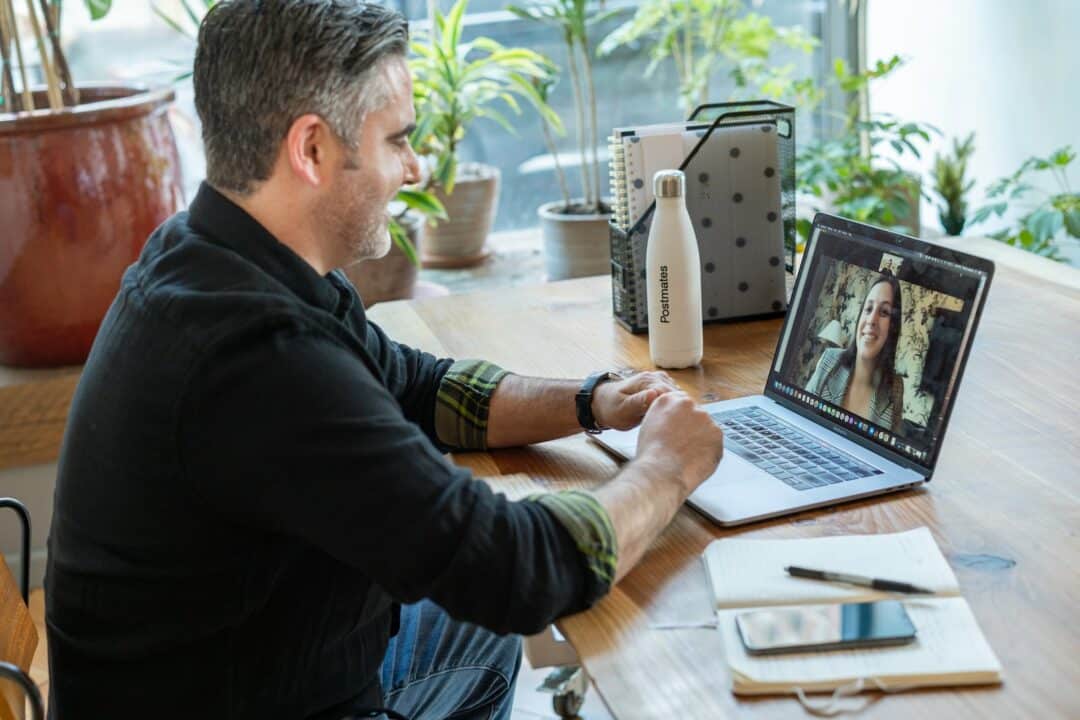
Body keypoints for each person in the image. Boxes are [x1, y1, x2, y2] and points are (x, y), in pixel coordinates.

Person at [43, 2, 724, 718]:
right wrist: (666, 468)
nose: (415, 166)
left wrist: (591, 399)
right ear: (310, 150)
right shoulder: (257, 358)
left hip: (251, 664)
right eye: (398, 139)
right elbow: (517, 570)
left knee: (475, 622)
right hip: (261, 700)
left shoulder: (218, 255)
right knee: (514, 602)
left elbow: (420, 387)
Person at [805, 272, 905, 431]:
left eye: (884, 312)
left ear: (892, 328)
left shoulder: (896, 387)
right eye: (869, 308)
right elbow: (801, 416)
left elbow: (891, 446)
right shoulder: (829, 359)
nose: (872, 320)